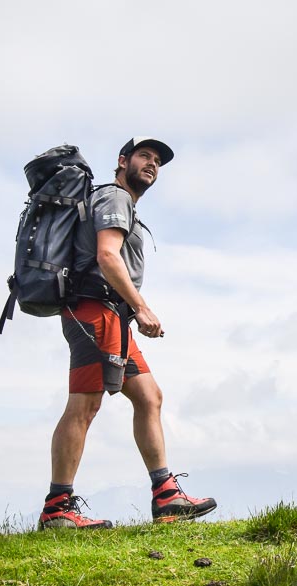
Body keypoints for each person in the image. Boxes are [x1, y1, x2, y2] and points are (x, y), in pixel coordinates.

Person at [38, 137, 216, 529]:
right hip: (94, 314)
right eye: (144, 157)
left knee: (149, 396)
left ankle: (166, 495)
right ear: (123, 161)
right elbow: (106, 255)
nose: (152, 164)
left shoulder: (124, 203)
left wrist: (129, 310)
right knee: (84, 407)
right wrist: (141, 307)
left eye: (157, 161)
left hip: (111, 318)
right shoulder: (116, 198)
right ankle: (57, 508)